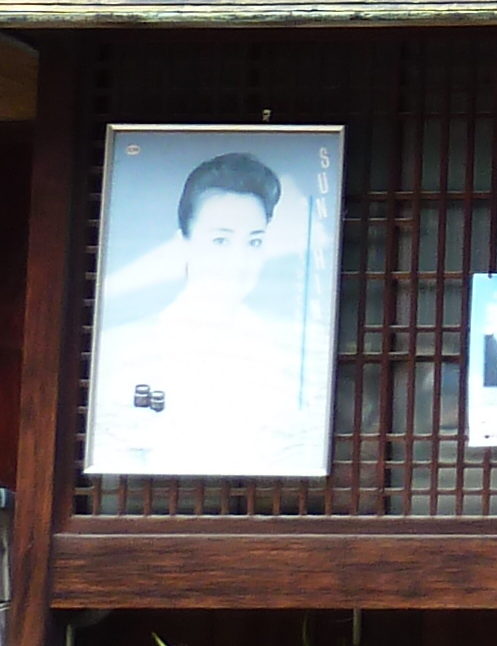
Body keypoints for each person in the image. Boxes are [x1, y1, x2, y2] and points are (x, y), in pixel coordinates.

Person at [87, 147, 326, 474]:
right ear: (183, 241)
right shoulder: (133, 350)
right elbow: (113, 457)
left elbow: (302, 455)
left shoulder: (290, 352)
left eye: (254, 241)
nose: (239, 261)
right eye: (221, 241)